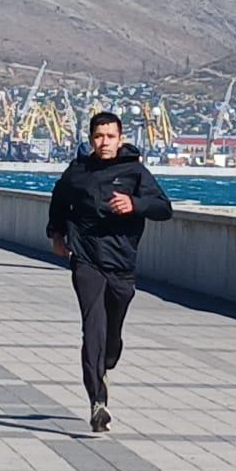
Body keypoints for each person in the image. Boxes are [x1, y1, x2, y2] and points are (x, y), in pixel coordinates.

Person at [47, 111, 172, 433]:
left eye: (110, 137)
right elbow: (59, 201)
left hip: (121, 263)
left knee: (111, 330)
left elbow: (164, 208)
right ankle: (97, 402)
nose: (104, 142)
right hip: (86, 259)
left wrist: (135, 204)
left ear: (120, 138)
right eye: (98, 137)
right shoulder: (78, 171)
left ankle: (111, 353)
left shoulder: (134, 171)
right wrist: (57, 235)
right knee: (92, 329)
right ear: (91, 140)